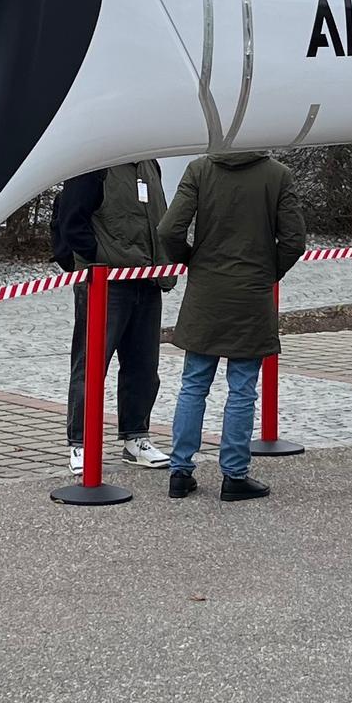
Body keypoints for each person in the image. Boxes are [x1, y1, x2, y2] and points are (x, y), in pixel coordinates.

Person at [157, 152, 306, 502]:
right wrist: (269, 271)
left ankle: (180, 472)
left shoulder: (199, 169)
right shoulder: (278, 175)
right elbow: (294, 241)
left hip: (206, 291)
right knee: (242, 390)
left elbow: (168, 229)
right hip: (251, 294)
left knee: (193, 385)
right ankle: (234, 475)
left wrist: (191, 259)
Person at [51, 162, 172, 471]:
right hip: (104, 283)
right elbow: (71, 222)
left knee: (144, 366)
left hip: (147, 279)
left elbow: (157, 218)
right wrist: (100, 259)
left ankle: (136, 437)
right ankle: (81, 443)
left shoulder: (150, 165)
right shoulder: (94, 165)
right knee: (91, 364)